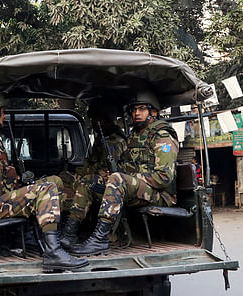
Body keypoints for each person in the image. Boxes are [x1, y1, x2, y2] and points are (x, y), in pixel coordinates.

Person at [0, 89, 88, 272]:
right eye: (3, 112)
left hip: (3, 199)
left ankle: (58, 237)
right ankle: (53, 252)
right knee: (46, 189)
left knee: (55, 181)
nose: (4, 117)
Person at [71, 90, 179, 256]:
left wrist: (126, 176)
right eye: (134, 110)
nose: (136, 113)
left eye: (142, 109)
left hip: (161, 195)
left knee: (118, 179)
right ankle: (69, 234)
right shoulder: (135, 136)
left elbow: (163, 178)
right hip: (137, 190)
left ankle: (100, 239)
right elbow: (124, 164)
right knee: (89, 181)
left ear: (154, 112)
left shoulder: (162, 137)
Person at [58, 100, 127, 250]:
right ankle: (64, 230)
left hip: (109, 184)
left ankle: (71, 233)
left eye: (97, 119)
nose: (94, 123)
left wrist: (83, 176)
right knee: (62, 178)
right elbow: (90, 164)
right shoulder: (101, 139)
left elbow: (112, 170)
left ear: (106, 119)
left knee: (82, 186)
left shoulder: (114, 141)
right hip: (95, 177)